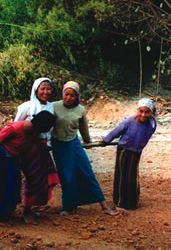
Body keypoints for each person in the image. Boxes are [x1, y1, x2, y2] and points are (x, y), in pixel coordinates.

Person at [0, 111, 57, 224]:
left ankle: (0, 215)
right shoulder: (16, 128)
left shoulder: (34, 132)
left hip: (13, 159)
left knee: (12, 187)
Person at [51, 81, 118, 215]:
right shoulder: (53, 107)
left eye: (72, 95)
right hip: (59, 145)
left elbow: (83, 129)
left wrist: (88, 142)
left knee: (87, 172)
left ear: (77, 97)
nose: (69, 98)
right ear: (62, 93)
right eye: (66, 94)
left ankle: (104, 205)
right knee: (67, 177)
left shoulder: (80, 110)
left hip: (74, 143)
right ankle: (69, 207)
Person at [14, 77, 59, 224]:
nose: (46, 92)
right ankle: (26, 211)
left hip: (43, 146)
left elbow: (49, 128)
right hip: (29, 146)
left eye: (48, 89)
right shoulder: (26, 107)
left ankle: (33, 207)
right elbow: (16, 126)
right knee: (33, 178)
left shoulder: (51, 107)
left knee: (47, 177)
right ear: (36, 90)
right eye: (42, 89)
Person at [101, 98, 157, 210]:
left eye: (147, 112)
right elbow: (115, 132)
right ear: (137, 110)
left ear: (151, 113)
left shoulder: (152, 123)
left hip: (136, 152)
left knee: (132, 176)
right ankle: (120, 203)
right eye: (141, 111)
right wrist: (105, 140)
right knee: (122, 176)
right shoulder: (128, 121)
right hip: (124, 151)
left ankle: (132, 202)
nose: (144, 114)